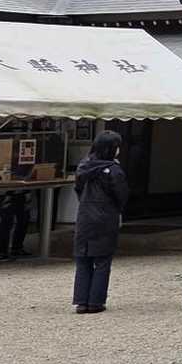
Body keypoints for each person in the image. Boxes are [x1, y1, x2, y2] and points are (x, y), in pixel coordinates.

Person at [71, 131, 129, 314]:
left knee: (83, 260)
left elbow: (78, 189)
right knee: (103, 261)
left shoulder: (84, 166)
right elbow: (121, 195)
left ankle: (81, 301)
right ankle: (96, 302)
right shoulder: (114, 170)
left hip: (85, 215)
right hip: (106, 217)